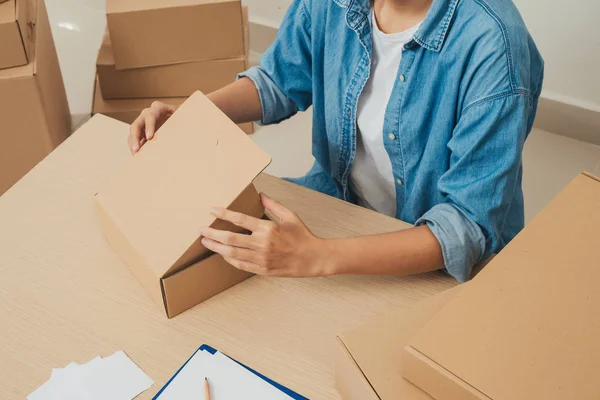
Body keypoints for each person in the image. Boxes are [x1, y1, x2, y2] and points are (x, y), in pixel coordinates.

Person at [128, 0, 543, 282]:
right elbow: (278, 81)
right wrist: (191, 115)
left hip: (434, 248)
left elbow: (464, 227)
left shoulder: (495, 46)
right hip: (344, 200)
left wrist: (317, 257)